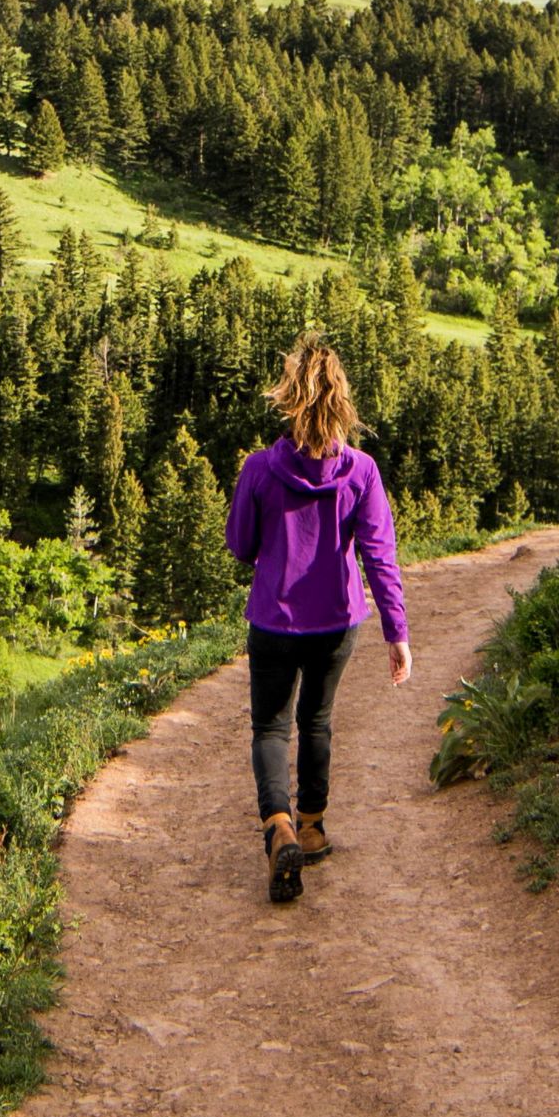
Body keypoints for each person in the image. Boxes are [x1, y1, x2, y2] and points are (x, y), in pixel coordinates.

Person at [222, 333, 410, 904]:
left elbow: (240, 544)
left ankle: (276, 826)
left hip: (274, 619)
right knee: (317, 721)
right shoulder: (363, 472)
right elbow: (379, 555)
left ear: (288, 397)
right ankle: (311, 826)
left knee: (271, 726)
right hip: (337, 620)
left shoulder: (259, 469)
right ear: (341, 402)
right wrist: (396, 631)